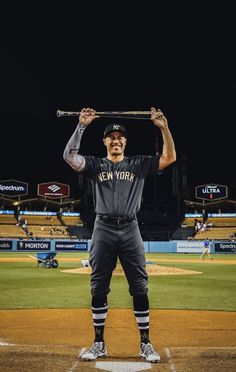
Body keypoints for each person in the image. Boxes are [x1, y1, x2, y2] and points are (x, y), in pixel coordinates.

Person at [63, 107, 176, 363]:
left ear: (125, 141)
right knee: (98, 287)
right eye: (111, 137)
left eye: (120, 137)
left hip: (130, 227)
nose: (116, 140)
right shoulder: (95, 164)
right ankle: (99, 343)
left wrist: (164, 127)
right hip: (102, 227)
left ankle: (145, 343)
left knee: (139, 287)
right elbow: (69, 157)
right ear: (105, 141)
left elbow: (169, 157)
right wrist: (81, 126)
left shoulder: (138, 163)